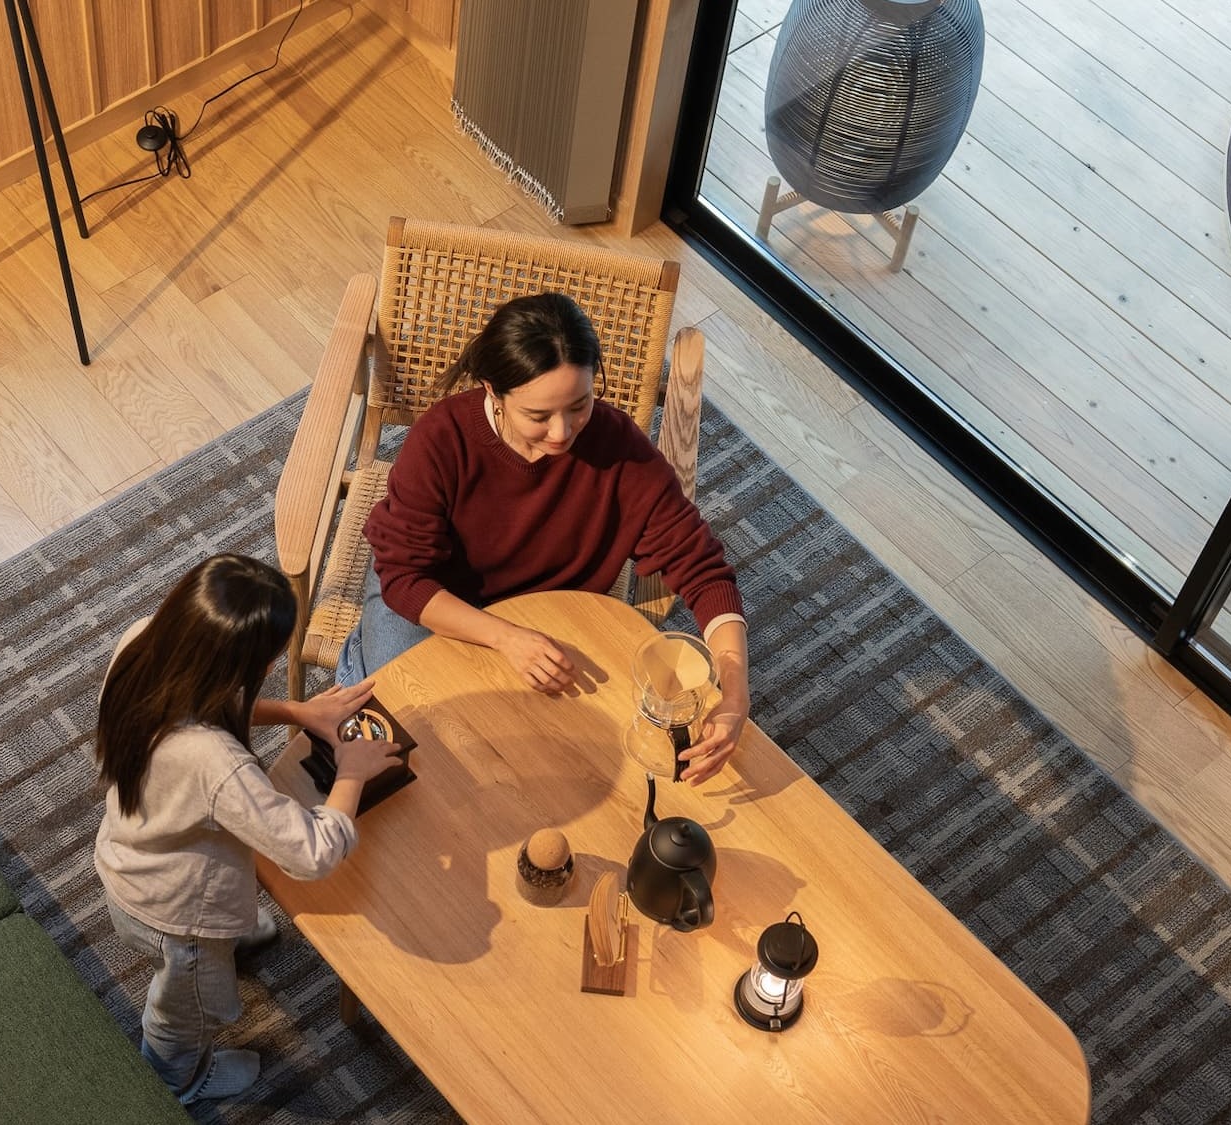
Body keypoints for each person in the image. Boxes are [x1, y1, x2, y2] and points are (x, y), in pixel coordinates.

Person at [342, 292, 751, 784]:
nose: (562, 433)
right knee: (409, 738)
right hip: (435, 598)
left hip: (553, 612)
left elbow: (703, 572)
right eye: (538, 416)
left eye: (579, 405)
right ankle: (357, 657)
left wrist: (735, 691)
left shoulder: (619, 448)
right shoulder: (442, 439)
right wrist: (505, 638)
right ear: (494, 391)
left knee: (554, 767)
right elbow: (405, 579)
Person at [94, 553, 402, 1105]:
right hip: (180, 914)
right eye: (263, 666)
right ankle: (180, 1079)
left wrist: (296, 713)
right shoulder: (216, 763)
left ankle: (231, 935)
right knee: (184, 1011)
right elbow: (311, 854)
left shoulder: (141, 645)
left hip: (131, 856)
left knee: (210, 950)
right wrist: (352, 773)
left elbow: (212, 699)